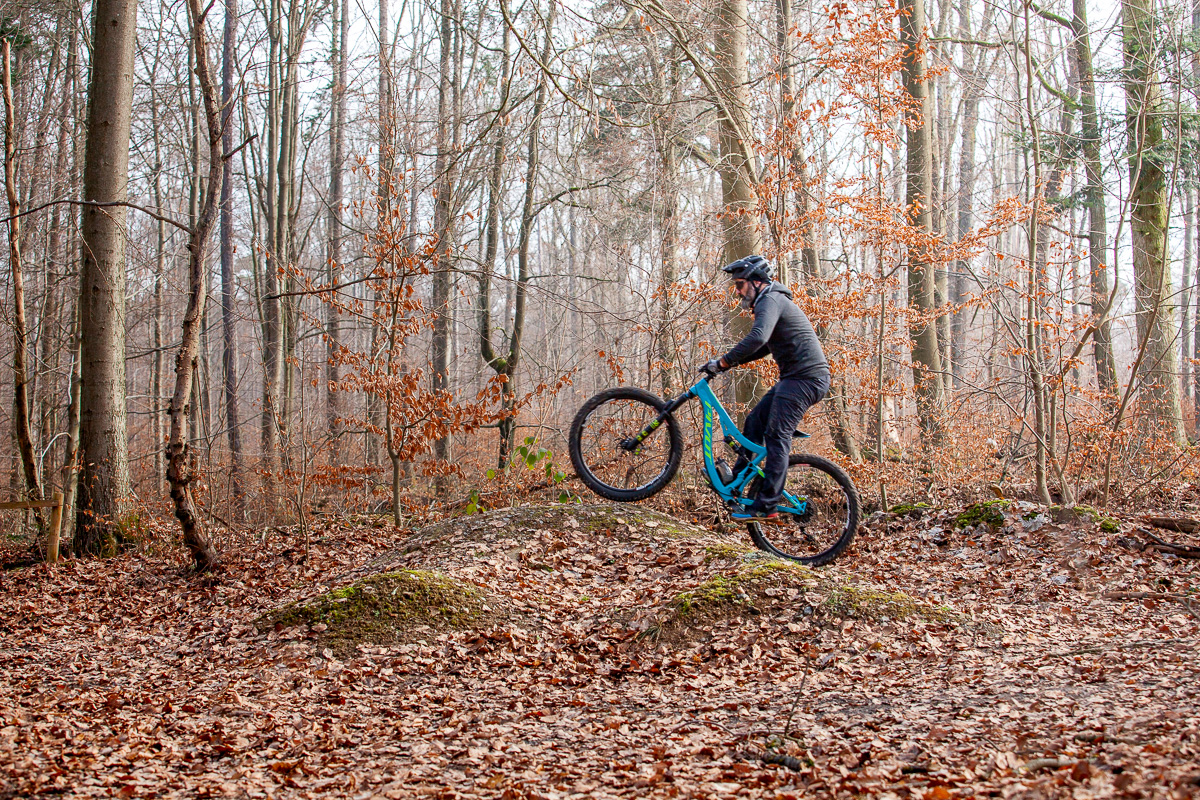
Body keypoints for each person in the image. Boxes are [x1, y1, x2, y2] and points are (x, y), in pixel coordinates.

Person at [700, 255, 830, 521]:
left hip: (805, 379)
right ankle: (735, 482)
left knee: (775, 434)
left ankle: (767, 505)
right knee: (755, 423)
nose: (738, 292)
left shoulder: (770, 299)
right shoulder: (771, 300)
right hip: (796, 379)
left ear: (757, 281)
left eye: (740, 285)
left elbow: (758, 338)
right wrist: (724, 365)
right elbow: (763, 347)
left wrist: (724, 360)